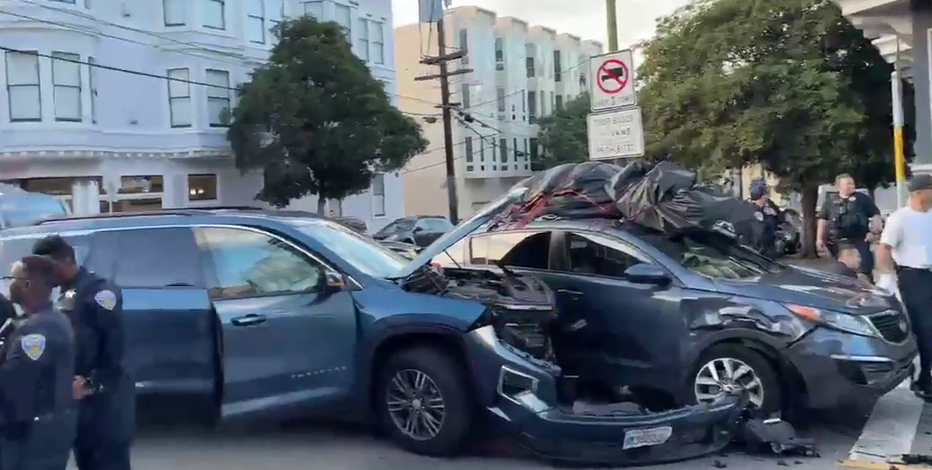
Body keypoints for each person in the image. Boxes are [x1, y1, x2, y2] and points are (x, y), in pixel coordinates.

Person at [32, 235, 133, 470]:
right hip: (79, 407)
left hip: (105, 406)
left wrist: (90, 383)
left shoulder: (100, 293)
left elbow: (116, 350)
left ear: (66, 260)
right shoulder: (60, 294)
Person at [0, 256, 77, 470]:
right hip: (44, 431)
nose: (9, 284)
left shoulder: (37, 331)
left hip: (32, 438)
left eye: (13, 278)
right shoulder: (47, 320)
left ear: (27, 284)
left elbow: (13, 386)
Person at [876, 174, 932, 399]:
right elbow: (884, 249)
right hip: (913, 277)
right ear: (919, 193)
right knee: (925, 329)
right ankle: (922, 379)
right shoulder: (900, 218)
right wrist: (888, 276)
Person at [817, 174, 882, 282]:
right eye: (848, 184)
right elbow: (823, 220)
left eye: (852, 183)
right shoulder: (830, 202)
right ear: (839, 187)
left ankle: (867, 289)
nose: (852, 186)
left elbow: (876, 215)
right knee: (842, 269)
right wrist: (819, 238)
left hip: (860, 239)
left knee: (864, 267)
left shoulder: (862, 199)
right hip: (839, 241)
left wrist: (874, 232)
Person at [748, 180, 781, 259]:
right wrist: (771, 217)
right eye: (766, 195)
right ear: (763, 197)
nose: (767, 197)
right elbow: (762, 232)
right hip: (761, 253)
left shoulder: (762, 210)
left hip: (763, 252)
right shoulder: (757, 212)